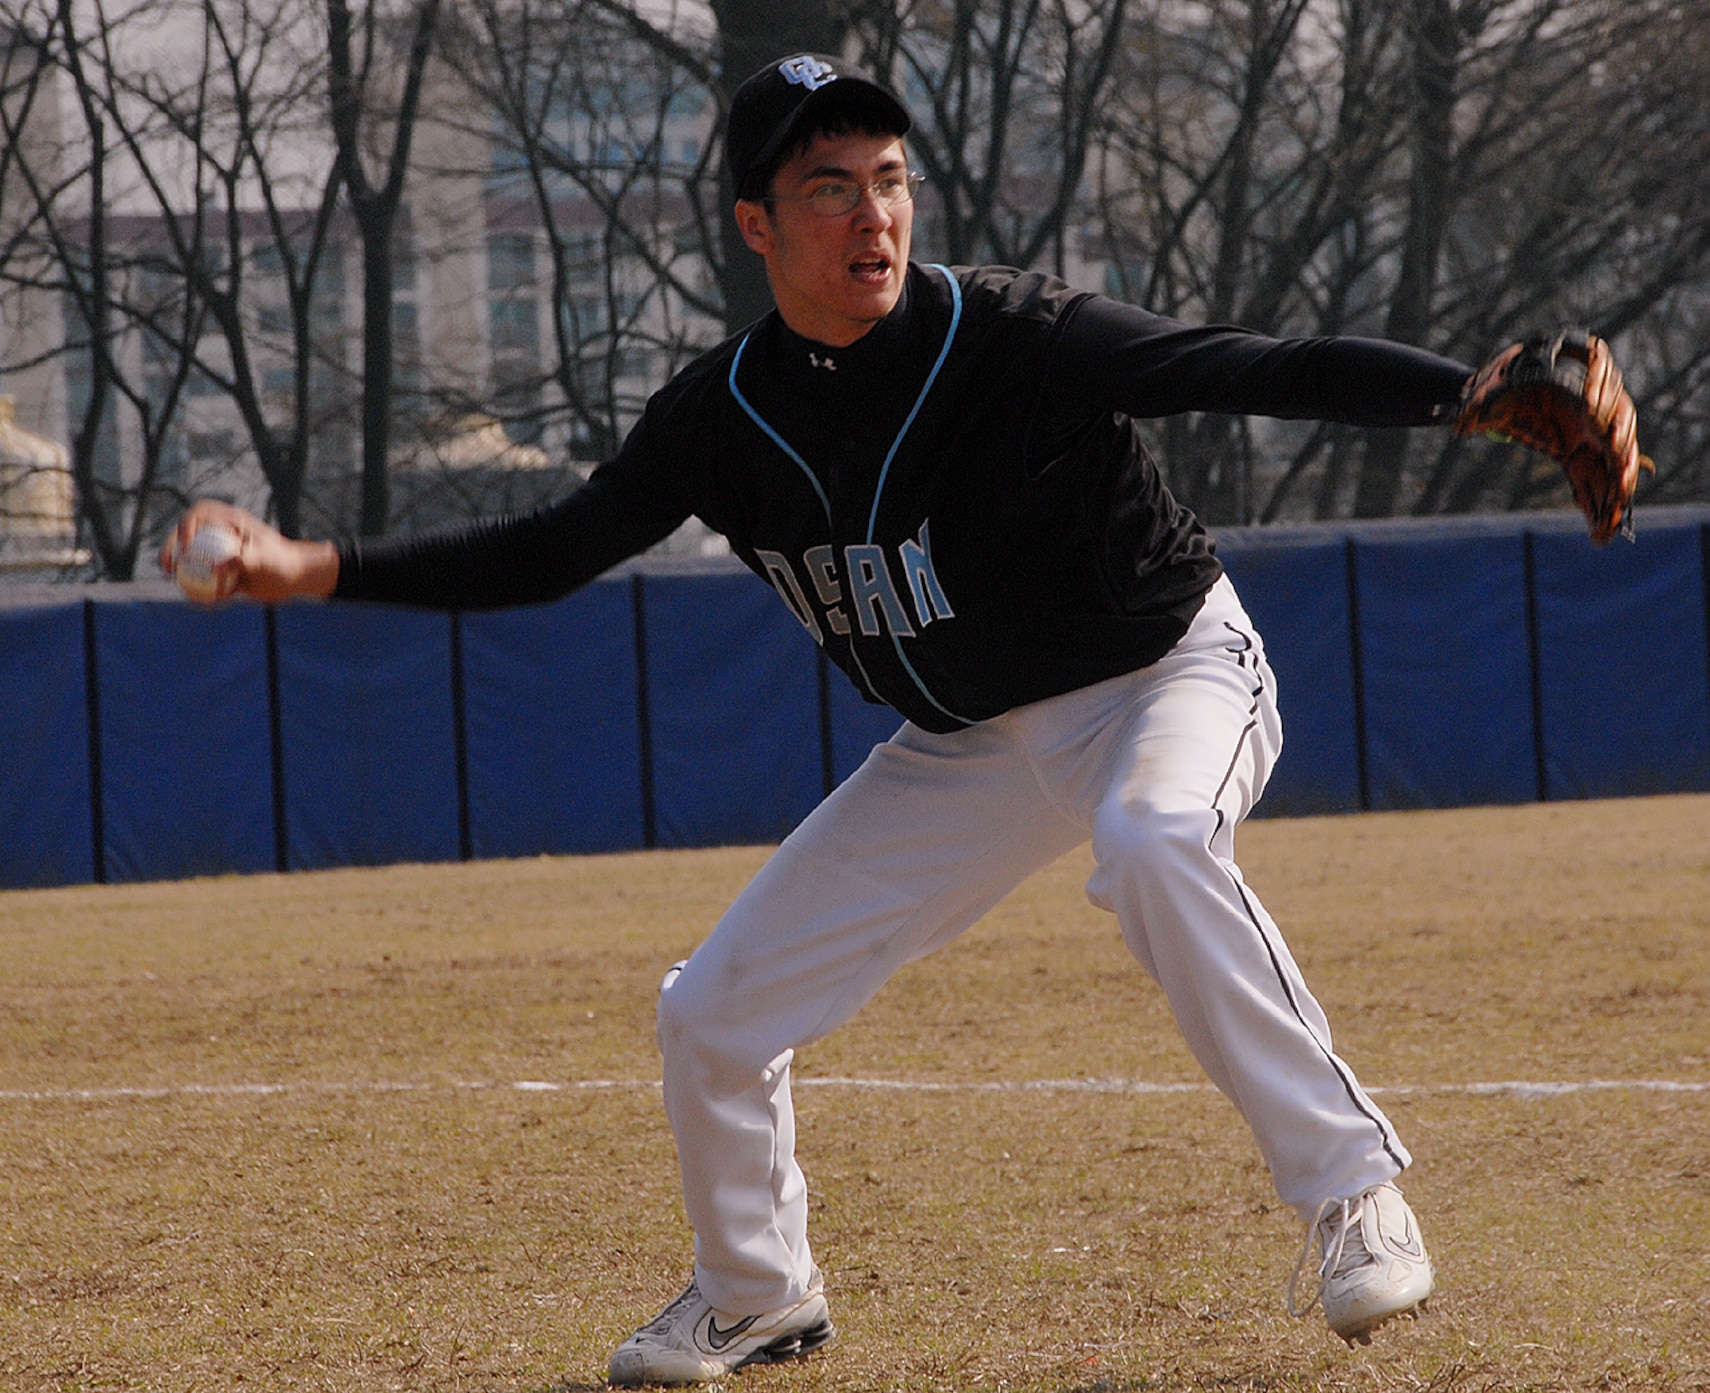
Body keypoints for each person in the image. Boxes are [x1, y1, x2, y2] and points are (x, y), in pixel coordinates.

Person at [168, 52, 1489, 1388]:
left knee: (1153, 842)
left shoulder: (1011, 335)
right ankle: (757, 1295)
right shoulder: (722, 416)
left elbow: (1250, 365)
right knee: (714, 1012)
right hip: (966, 747)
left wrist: (1470, 395)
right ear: (756, 224)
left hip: (1162, 674)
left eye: (889, 180)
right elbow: (551, 549)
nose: (873, 215)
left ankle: (1354, 1188)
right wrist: (310, 567)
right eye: (827, 187)